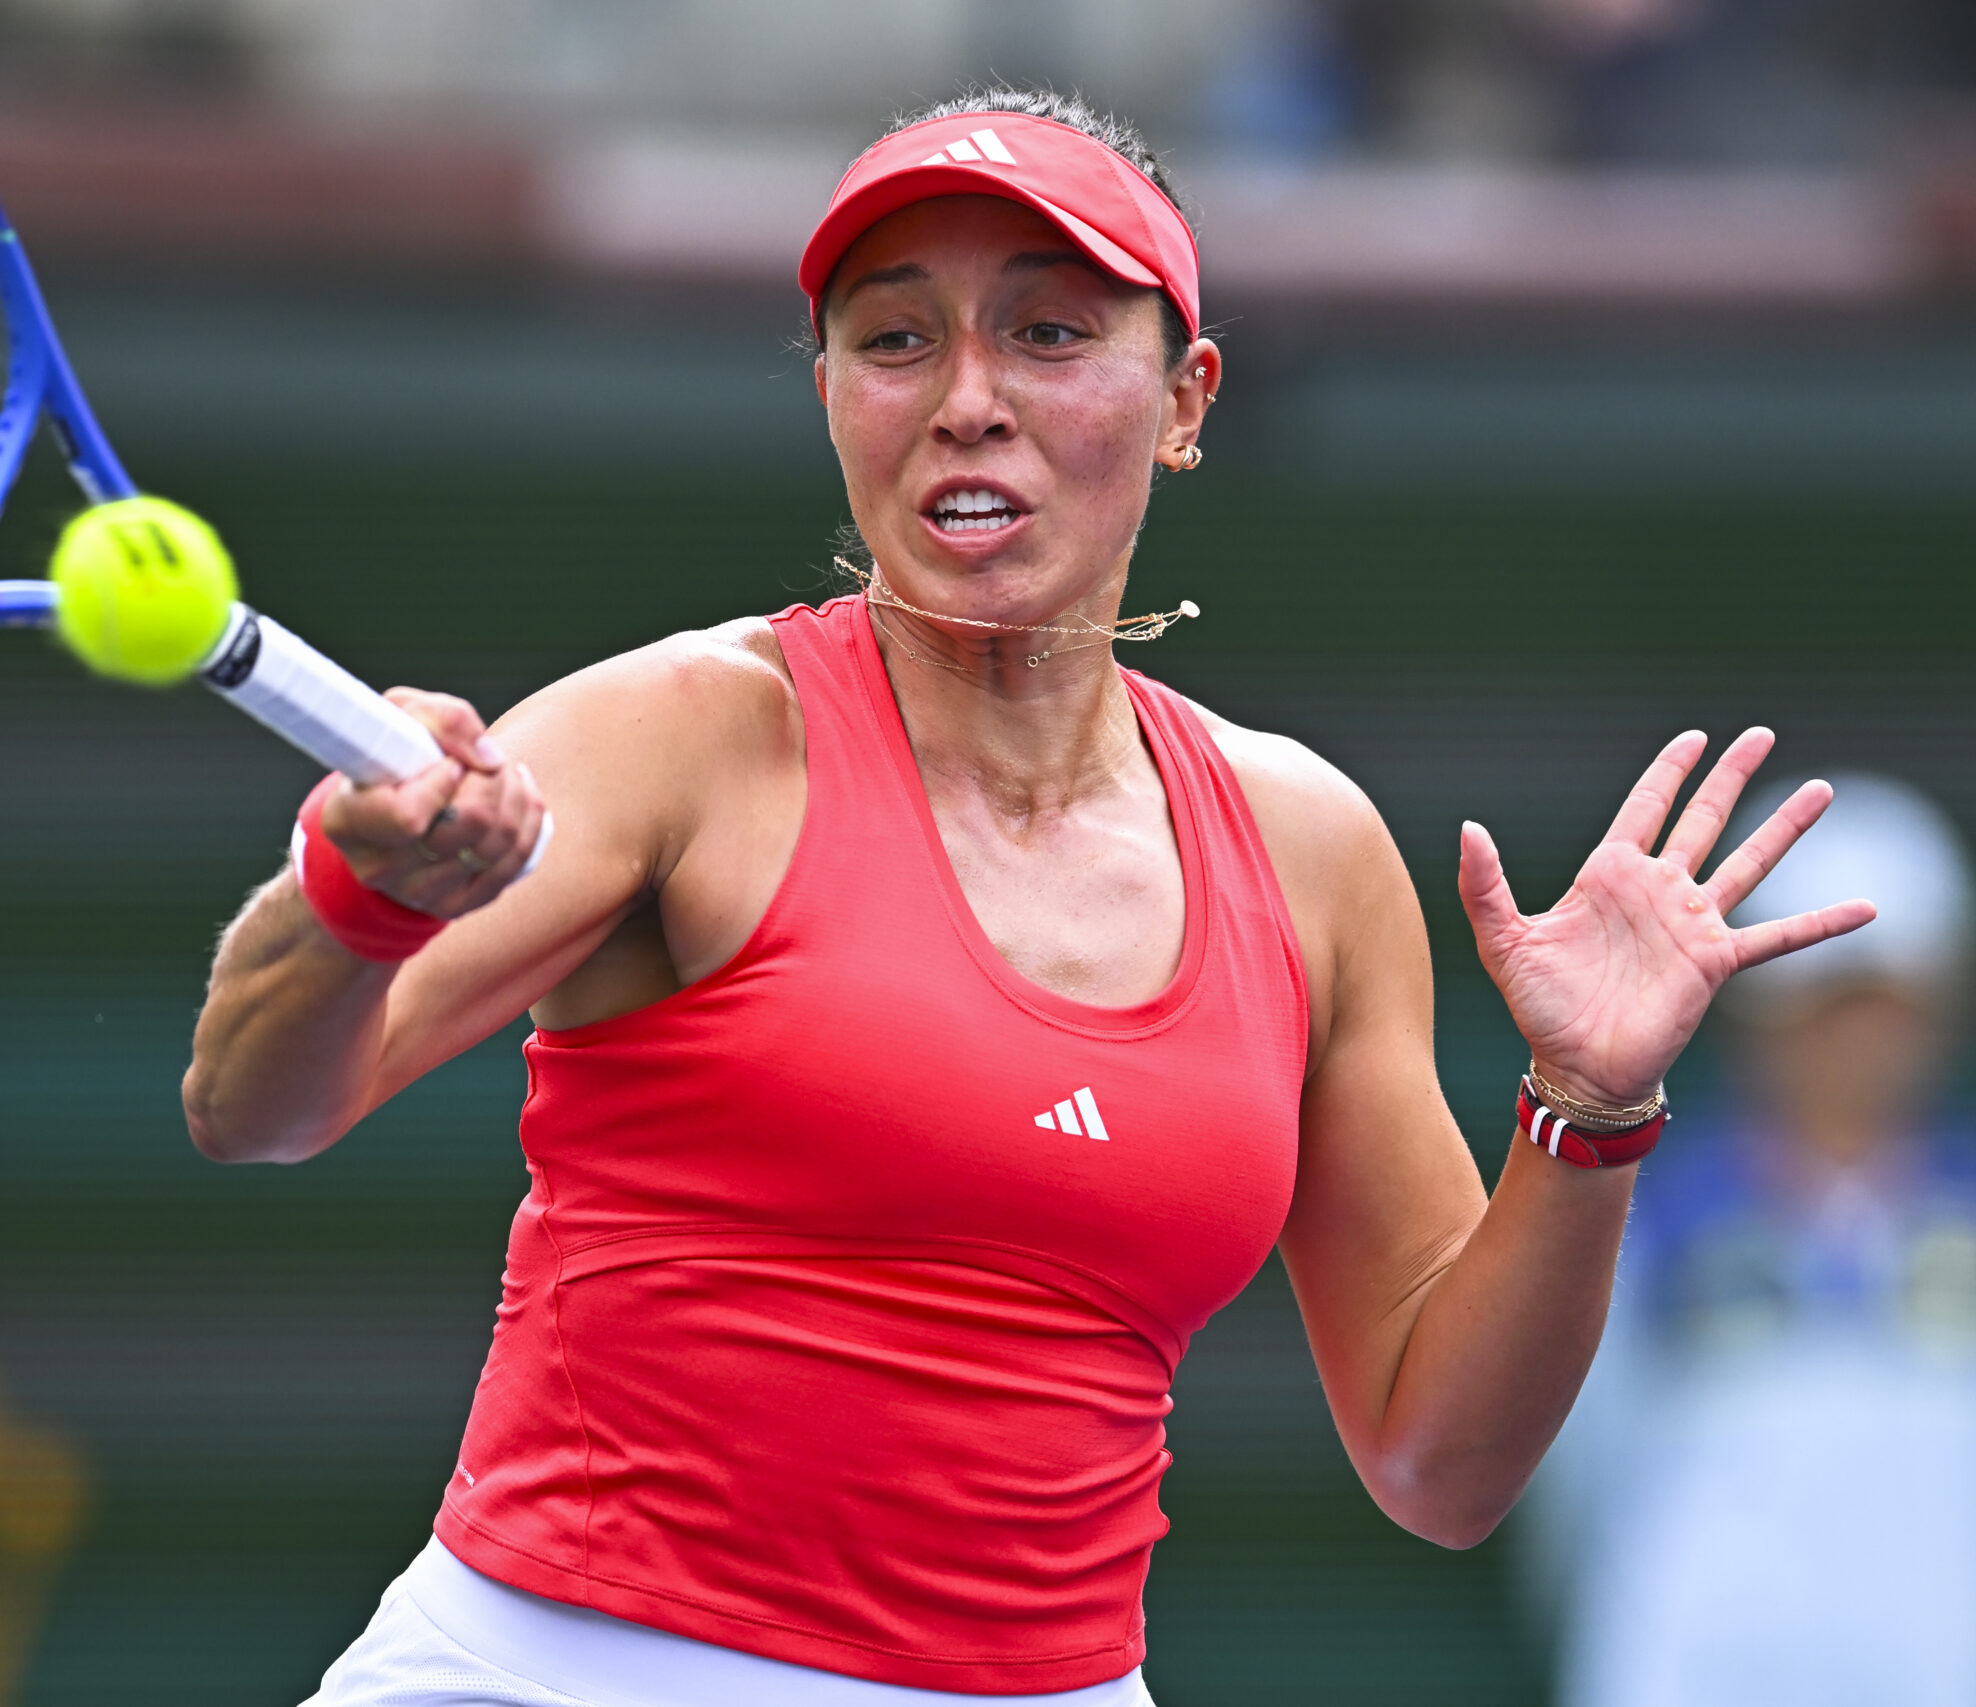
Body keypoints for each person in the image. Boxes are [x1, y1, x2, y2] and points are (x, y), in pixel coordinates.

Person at [181, 88, 1873, 1707]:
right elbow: (253, 1105)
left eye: (1050, 333)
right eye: (895, 336)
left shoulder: (1310, 848)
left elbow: (1443, 1462)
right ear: (833, 390)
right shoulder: (682, 735)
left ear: (1187, 397)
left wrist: (1590, 1110)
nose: (964, 396)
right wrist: (355, 891)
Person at [1526, 774, 1975, 1707]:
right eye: (1822, 1003)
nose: (1852, 1041)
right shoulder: (1640, 1210)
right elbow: (1564, 1476)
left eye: (1880, 1002)